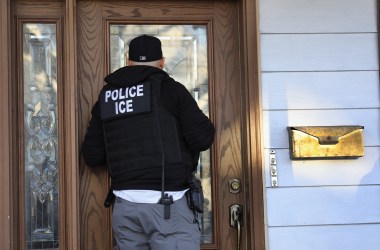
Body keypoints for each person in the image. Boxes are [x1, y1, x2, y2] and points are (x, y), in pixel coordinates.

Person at [81, 34, 214, 250]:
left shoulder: (108, 96)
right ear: (162, 62)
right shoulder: (171, 89)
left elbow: (92, 156)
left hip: (125, 208)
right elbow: (202, 138)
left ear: (129, 62)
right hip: (167, 205)